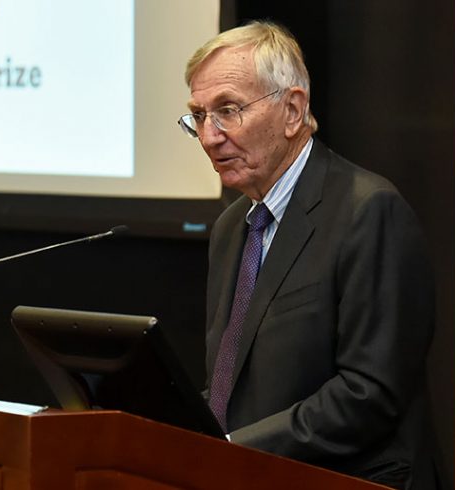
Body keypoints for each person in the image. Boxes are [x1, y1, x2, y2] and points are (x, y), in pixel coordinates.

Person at [179, 21, 436, 489]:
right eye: (198, 116)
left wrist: (232, 446)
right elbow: (229, 388)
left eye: (228, 110)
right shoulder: (232, 227)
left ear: (293, 110)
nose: (209, 136)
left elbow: (370, 394)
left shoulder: (368, 211)